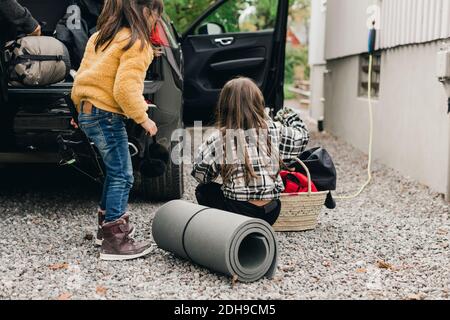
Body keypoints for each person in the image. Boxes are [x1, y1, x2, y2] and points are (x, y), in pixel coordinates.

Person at [71, 0, 163, 261]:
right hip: (107, 116)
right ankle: (116, 241)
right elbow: (125, 89)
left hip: (88, 111)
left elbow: (82, 78)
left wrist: (79, 110)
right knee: (124, 175)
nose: (155, 22)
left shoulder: (99, 37)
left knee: (115, 172)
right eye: (156, 16)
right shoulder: (137, 42)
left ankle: (106, 228)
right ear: (146, 12)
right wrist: (143, 118)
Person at [192, 77, 310, 226]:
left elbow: (201, 175)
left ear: (224, 106)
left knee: (203, 190)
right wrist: (288, 116)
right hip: (271, 212)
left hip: (237, 211)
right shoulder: (274, 130)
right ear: (258, 104)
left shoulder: (219, 138)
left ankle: (226, 229)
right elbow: (302, 137)